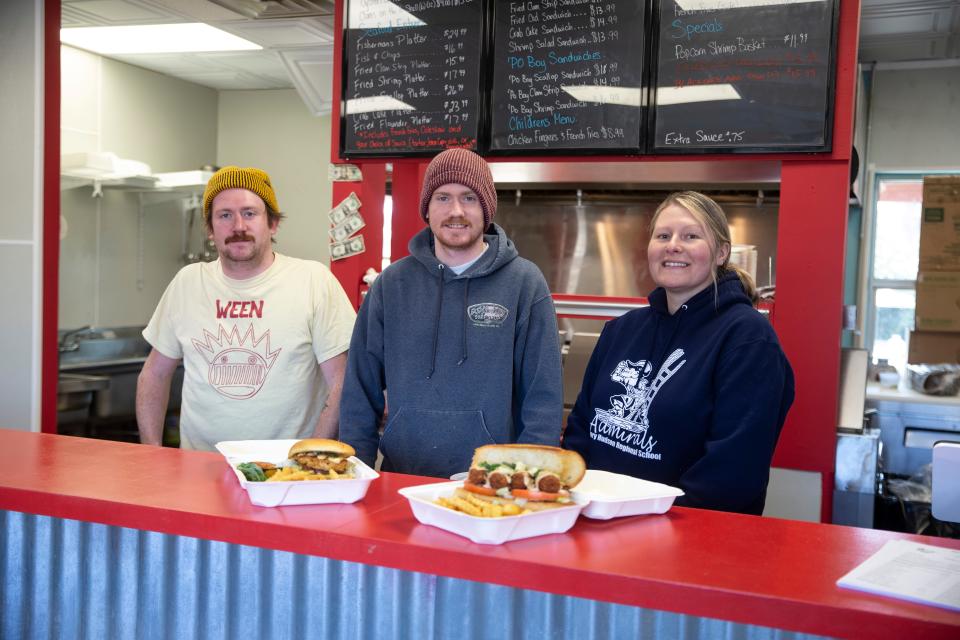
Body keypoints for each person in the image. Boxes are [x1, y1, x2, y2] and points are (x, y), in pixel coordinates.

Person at [563, 191, 795, 515]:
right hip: (594, 525)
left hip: (688, 544)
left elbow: (733, 476)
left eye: (691, 236)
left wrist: (654, 526)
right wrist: (573, 501)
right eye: (663, 235)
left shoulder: (748, 340)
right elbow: (580, 430)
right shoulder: (620, 330)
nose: (673, 245)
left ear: (721, 253)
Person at [340, 148, 563, 478]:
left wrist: (526, 478)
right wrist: (354, 474)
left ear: (486, 209)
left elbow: (542, 397)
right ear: (426, 209)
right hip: (402, 478)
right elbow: (360, 389)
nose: (455, 211)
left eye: (469, 198)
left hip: (493, 485)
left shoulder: (524, 283)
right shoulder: (390, 285)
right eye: (443, 198)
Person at [136, 166, 356, 450]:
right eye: (225, 215)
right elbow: (154, 374)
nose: (238, 226)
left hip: (283, 472)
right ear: (211, 229)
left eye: (250, 213)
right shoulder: (188, 282)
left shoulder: (313, 281)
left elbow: (342, 381)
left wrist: (308, 457)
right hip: (197, 469)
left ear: (272, 223)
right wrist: (151, 450)